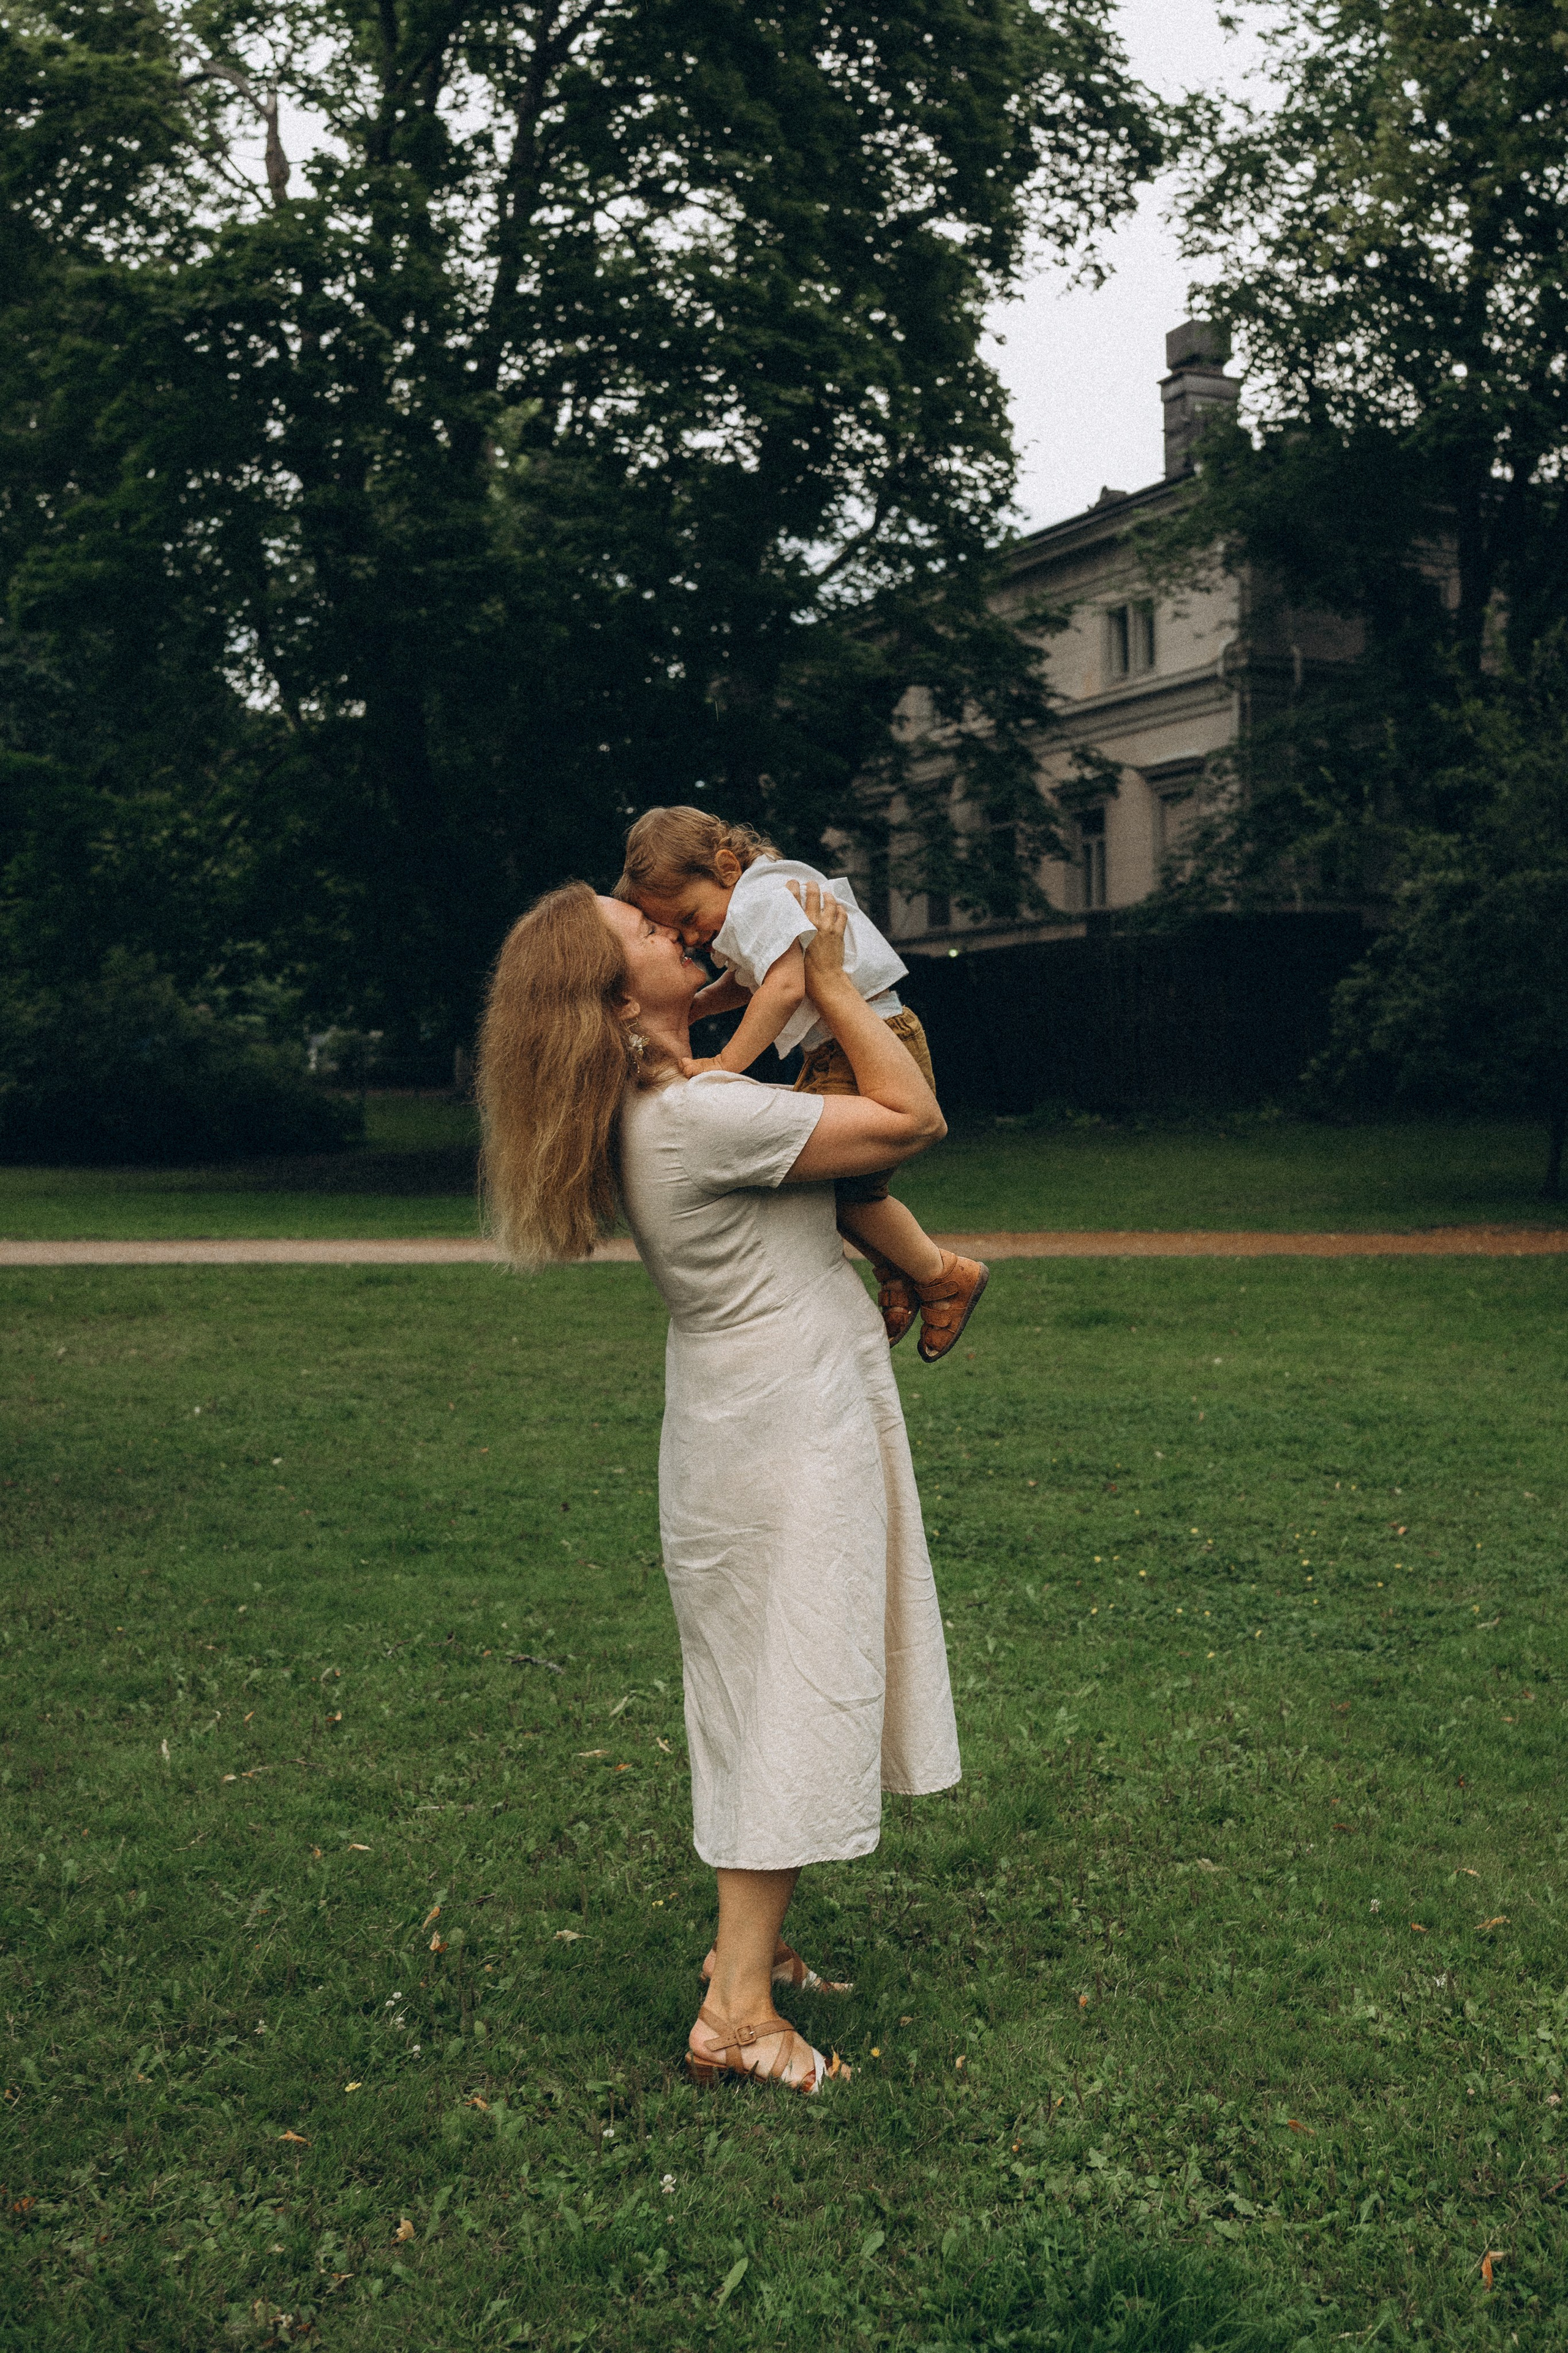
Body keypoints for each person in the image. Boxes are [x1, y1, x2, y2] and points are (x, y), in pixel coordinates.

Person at [476, 878, 962, 2093]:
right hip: (782, 1436)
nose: (674, 927)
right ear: (615, 997)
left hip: (747, 1425)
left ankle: (753, 1949)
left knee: (757, 1695)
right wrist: (837, 980)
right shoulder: (697, 1117)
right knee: (786, 1694)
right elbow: (908, 1119)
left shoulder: (680, 1101)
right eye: (644, 931)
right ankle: (734, 2017)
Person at [615, 805, 988, 1365]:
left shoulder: (760, 899)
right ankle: (903, 1267)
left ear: (724, 866)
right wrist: (686, 1010)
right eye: (679, 929)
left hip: (870, 1037)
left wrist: (726, 1060)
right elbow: (747, 983)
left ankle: (942, 1276)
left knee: (850, 1192)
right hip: (842, 1041)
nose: (693, 937)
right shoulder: (753, 895)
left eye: (690, 916)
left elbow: (784, 988)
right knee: (838, 1190)